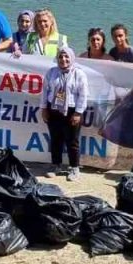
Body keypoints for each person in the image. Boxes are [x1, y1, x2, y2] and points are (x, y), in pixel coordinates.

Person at [41, 47, 89, 182]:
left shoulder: (78, 74)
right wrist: (44, 108)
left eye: (66, 56)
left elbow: (83, 95)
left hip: (72, 111)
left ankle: (74, 168)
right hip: (53, 110)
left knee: (72, 141)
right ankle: (56, 165)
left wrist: (78, 113)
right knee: (55, 139)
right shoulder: (51, 72)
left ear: (72, 58)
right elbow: (45, 91)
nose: (63, 59)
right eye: (61, 57)